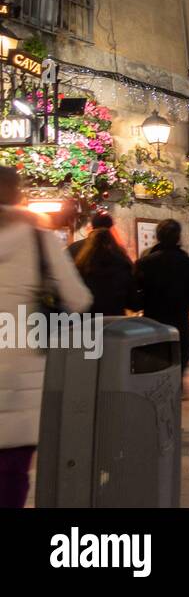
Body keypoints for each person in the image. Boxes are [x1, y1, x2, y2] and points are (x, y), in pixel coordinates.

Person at [0, 167, 92, 508]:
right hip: (17, 373)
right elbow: (79, 298)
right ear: (17, 194)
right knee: (12, 472)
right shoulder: (37, 237)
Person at [133, 218, 189, 377]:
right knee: (177, 372)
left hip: (153, 325)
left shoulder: (145, 264)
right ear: (178, 237)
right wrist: (185, 302)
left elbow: (133, 298)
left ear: (157, 237)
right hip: (180, 325)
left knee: (155, 373)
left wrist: (146, 302)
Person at [73, 223, 137, 316]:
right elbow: (133, 302)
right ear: (111, 243)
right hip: (114, 318)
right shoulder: (123, 265)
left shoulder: (81, 266)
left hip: (88, 318)